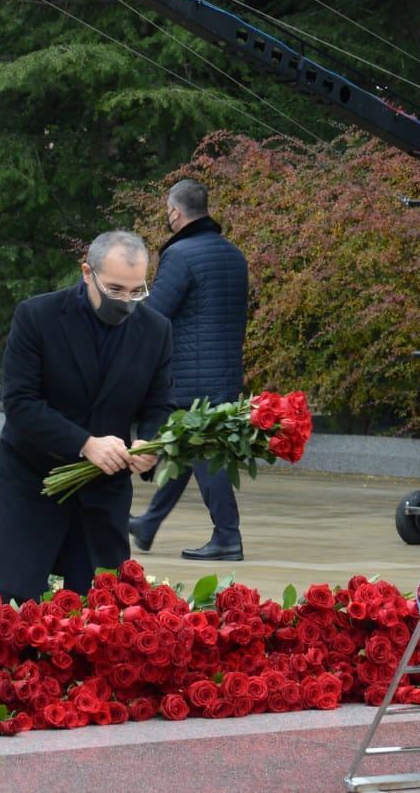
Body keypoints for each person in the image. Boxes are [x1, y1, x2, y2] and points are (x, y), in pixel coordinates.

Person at [0, 231, 175, 603]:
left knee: (101, 608)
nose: (125, 302)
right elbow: (20, 402)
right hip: (31, 482)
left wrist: (150, 444)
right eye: (115, 289)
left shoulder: (156, 330)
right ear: (87, 272)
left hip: (103, 493)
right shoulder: (37, 316)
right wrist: (85, 444)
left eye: (136, 291)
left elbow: (160, 406)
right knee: (16, 604)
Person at [128, 179, 249, 561]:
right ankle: (148, 524)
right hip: (225, 371)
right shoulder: (233, 254)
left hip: (191, 374)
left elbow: (156, 314)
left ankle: (227, 537)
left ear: (175, 213)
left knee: (204, 452)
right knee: (184, 447)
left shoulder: (180, 255)